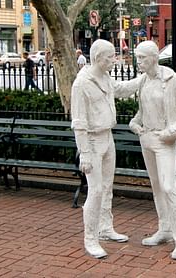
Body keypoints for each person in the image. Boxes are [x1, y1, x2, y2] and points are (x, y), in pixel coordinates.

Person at [71, 39, 140, 259]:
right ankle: (90, 238)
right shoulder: (81, 83)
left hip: (107, 138)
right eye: (110, 57)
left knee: (107, 187)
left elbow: (121, 89)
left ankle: (106, 227)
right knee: (96, 190)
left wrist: (145, 76)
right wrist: (84, 153)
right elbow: (78, 122)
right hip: (91, 142)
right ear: (98, 57)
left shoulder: (105, 78)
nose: (114, 60)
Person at [129, 40, 176, 260]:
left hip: (164, 139)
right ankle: (165, 229)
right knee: (157, 187)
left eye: (142, 58)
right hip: (146, 138)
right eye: (137, 57)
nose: (138, 62)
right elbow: (144, 108)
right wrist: (135, 123)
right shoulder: (143, 81)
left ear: (154, 57)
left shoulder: (173, 80)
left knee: (168, 187)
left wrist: (171, 132)